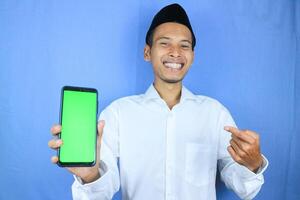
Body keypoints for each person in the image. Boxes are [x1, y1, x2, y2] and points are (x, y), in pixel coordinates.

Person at [48, 3, 268, 200]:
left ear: (192, 55)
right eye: (165, 43)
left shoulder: (215, 113)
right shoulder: (117, 113)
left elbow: (244, 188)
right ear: (147, 52)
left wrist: (252, 164)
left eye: (184, 45)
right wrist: (90, 175)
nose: (175, 53)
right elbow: (98, 195)